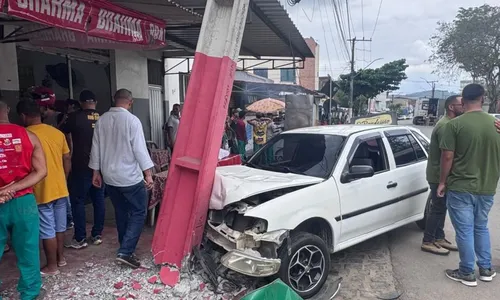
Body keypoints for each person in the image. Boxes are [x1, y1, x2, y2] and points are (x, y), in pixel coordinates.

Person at [438, 83, 500, 287]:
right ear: (483, 99)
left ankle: (466, 272)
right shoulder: (496, 124)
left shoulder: (453, 125)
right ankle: (485, 269)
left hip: (461, 186)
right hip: (487, 187)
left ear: (462, 101)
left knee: (464, 230)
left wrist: (442, 181)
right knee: (481, 226)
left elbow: (447, 156)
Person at [89, 89, 154, 269]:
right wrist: (148, 174)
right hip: (129, 177)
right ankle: (126, 251)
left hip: (109, 176)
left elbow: (95, 148)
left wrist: (95, 172)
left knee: (120, 211)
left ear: (114, 100)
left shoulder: (102, 120)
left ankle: (124, 247)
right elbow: (140, 149)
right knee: (139, 212)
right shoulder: (132, 121)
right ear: (130, 102)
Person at [17, 100, 71, 276]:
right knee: (59, 226)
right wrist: (63, 178)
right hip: (60, 187)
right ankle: (61, 259)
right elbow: (67, 158)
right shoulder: (57, 133)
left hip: (41, 189)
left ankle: (52, 266)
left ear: (23, 116)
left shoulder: (25, 135)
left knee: (47, 228)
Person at [0, 101, 47, 299]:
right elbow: (41, 171)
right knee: (28, 249)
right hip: (23, 202)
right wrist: (13, 188)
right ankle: (29, 293)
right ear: (8, 110)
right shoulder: (29, 135)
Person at [61, 90, 106, 249]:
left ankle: (80, 238)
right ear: (96, 102)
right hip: (101, 166)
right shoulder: (103, 117)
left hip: (81, 165)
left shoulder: (74, 117)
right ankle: (97, 234)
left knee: (78, 201)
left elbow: (61, 133)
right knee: (98, 200)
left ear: (80, 103)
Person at [421, 95, 463, 255]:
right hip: (438, 175)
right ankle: (428, 240)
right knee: (437, 208)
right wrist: (443, 180)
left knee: (441, 207)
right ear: (452, 107)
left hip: (439, 174)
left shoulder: (449, 123)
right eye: (461, 104)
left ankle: (439, 237)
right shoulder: (446, 126)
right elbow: (447, 155)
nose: (464, 107)